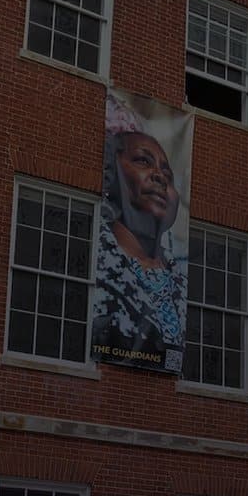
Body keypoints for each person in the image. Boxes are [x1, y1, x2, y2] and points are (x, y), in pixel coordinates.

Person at [91, 123, 186, 370]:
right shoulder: (93, 257)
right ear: (110, 176)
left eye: (168, 173)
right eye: (144, 161)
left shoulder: (183, 279)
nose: (160, 176)